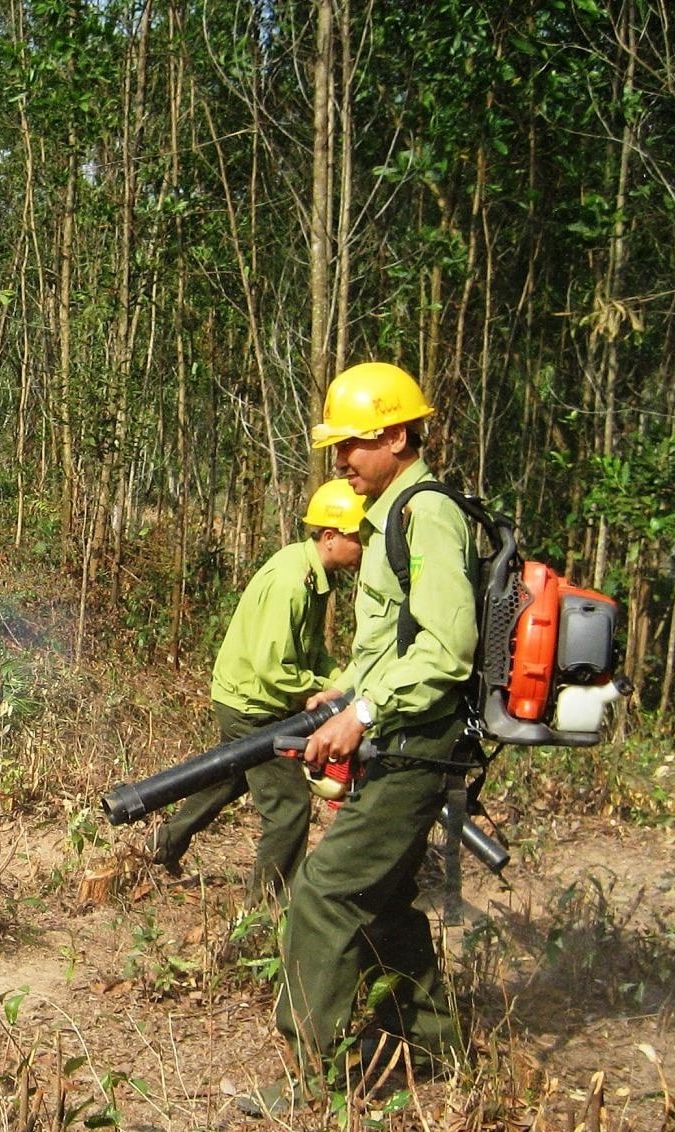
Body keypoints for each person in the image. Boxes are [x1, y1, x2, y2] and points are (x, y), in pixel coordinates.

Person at [237, 362, 475, 1118]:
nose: (340, 461)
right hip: (401, 736)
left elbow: (448, 647)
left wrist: (364, 714)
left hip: (414, 745)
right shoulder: (392, 517)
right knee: (388, 900)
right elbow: (395, 640)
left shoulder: (424, 513)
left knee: (321, 892)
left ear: (397, 435)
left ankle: (310, 1075)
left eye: (352, 445)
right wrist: (345, 687)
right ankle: (437, 1046)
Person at [152, 479, 366, 900]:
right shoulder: (292, 582)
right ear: (329, 537)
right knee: (289, 808)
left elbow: (309, 651)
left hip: (251, 698)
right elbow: (274, 668)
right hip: (252, 704)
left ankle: (162, 843)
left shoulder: (314, 575)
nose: (364, 546)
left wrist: (340, 683)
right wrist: (319, 693)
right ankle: (262, 917)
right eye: (358, 537)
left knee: (230, 776)